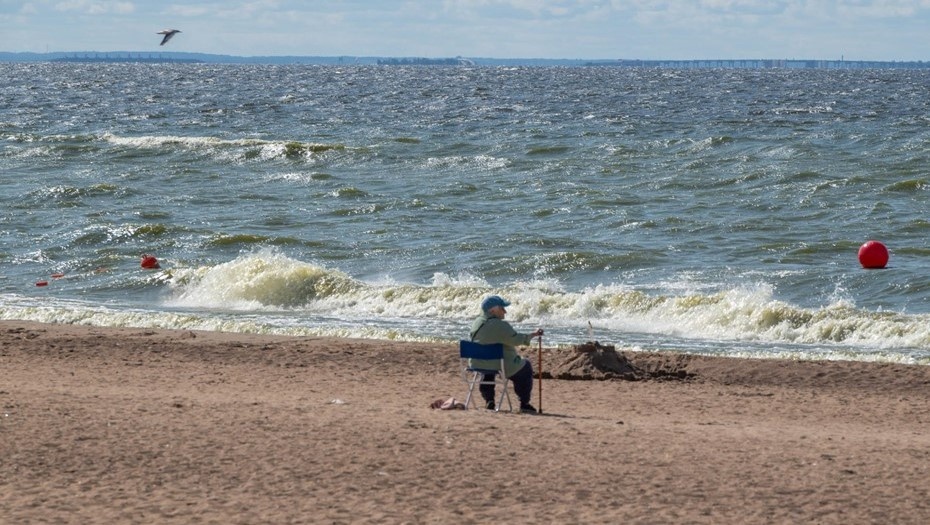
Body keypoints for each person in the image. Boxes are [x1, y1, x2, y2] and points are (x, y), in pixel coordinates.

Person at [468, 295, 543, 414]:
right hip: (499, 364)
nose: (505, 311)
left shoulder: (476, 322)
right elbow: (516, 340)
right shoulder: (500, 326)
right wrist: (533, 335)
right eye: (502, 308)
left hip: (477, 363)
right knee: (525, 367)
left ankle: (489, 400)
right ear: (492, 310)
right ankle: (524, 403)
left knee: (487, 370)